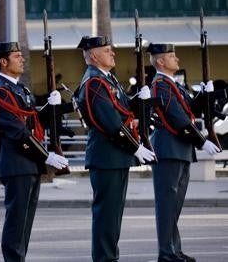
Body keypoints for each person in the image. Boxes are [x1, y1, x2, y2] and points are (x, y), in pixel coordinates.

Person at [0, 41, 68, 262]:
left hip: (29, 163)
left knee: (25, 223)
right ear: (3, 62)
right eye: (17, 56)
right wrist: (46, 155)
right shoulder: (0, 93)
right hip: (16, 163)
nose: (22, 59)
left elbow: (32, 122)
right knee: (16, 222)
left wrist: (51, 107)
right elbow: (17, 131)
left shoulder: (20, 89)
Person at [75, 36, 156, 262]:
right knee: (106, 215)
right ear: (93, 56)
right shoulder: (94, 82)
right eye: (107, 50)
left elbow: (120, 108)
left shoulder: (107, 80)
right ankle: (105, 259)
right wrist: (136, 147)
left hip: (115, 156)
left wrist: (139, 99)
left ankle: (110, 257)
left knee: (113, 215)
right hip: (106, 156)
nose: (113, 53)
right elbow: (110, 121)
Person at [148, 43, 221, 262]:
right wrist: (202, 141)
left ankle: (174, 250)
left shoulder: (174, 85)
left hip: (180, 148)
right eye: (172, 56)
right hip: (168, 148)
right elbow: (177, 117)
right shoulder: (160, 84)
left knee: (175, 206)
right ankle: (166, 253)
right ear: (161, 61)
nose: (177, 59)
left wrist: (204, 94)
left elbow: (190, 108)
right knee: (167, 205)